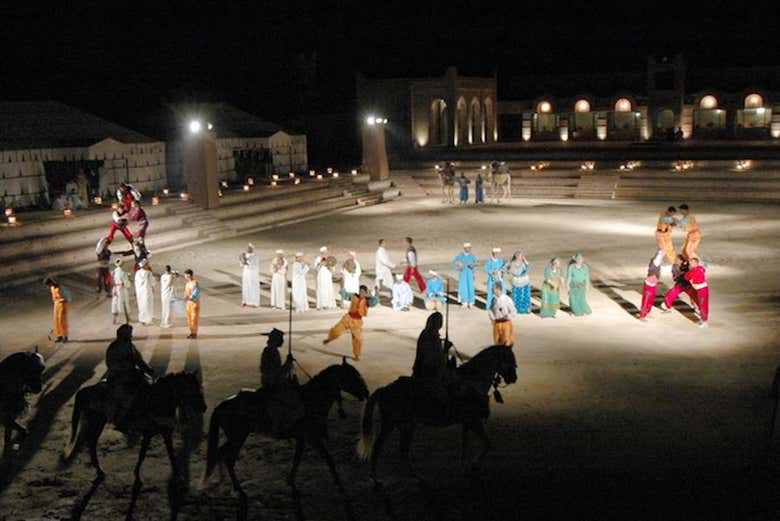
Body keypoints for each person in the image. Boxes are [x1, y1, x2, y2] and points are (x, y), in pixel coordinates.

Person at [105, 324, 153, 431]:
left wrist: (148, 370)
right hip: (118, 376)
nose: (131, 336)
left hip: (131, 374)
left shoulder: (130, 346)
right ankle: (120, 419)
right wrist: (125, 369)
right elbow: (111, 363)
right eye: (129, 334)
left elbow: (138, 360)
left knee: (147, 387)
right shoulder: (114, 347)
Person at [259, 328, 304, 435]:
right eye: (281, 339)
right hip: (272, 382)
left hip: (273, 379)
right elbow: (276, 372)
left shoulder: (271, 350)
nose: (282, 341)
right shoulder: (271, 352)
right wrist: (287, 364)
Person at [323, 285, 369, 360]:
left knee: (358, 339)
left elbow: (375, 301)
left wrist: (376, 293)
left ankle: (357, 355)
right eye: (360, 291)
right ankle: (330, 338)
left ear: (366, 293)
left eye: (363, 292)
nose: (361, 293)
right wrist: (342, 288)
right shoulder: (354, 296)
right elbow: (345, 295)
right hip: (348, 318)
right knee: (336, 330)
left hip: (357, 322)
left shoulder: (368, 301)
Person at [488, 282, 516, 347]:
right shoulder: (494, 300)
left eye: (493, 289)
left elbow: (514, 311)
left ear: (498, 289)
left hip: (505, 323)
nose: (492, 290)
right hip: (497, 324)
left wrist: (507, 316)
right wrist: (492, 318)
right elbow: (490, 310)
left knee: (506, 343)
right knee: (497, 343)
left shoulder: (507, 299)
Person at [684, 257, 709, 328]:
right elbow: (704, 268)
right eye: (690, 263)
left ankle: (704, 322)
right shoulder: (700, 268)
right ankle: (703, 320)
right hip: (703, 289)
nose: (690, 264)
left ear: (696, 263)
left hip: (701, 290)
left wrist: (689, 269)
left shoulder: (693, 271)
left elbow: (686, 277)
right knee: (702, 305)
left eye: (691, 263)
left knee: (702, 305)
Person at [639, 251, 664, 321]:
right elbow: (659, 256)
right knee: (646, 300)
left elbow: (660, 255)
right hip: (649, 285)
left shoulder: (657, 263)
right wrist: (663, 249)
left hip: (654, 284)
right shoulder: (655, 263)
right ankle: (642, 315)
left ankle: (646, 312)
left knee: (651, 300)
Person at [452, 242, 477, 308]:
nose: (468, 249)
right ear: (464, 248)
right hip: (463, 274)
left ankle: (471, 302)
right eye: (466, 248)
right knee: (463, 287)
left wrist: (473, 269)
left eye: (469, 248)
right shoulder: (460, 255)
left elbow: (475, 264)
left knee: (470, 287)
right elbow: (454, 263)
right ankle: (464, 302)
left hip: (470, 273)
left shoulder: (472, 256)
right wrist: (458, 268)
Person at [45, 278, 69, 343]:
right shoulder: (52, 288)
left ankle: (65, 336)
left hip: (62, 304)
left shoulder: (60, 288)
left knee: (62, 321)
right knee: (56, 321)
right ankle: (59, 336)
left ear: (51, 283)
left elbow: (68, 297)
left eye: (48, 285)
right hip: (56, 305)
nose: (48, 286)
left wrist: (61, 300)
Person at [508, 250, 531, 314]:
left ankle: (525, 308)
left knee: (525, 294)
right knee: (517, 295)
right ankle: (516, 308)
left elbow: (527, 265)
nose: (521, 257)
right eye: (519, 256)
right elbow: (512, 271)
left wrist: (524, 260)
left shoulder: (524, 262)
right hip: (517, 280)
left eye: (521, 256)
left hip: (524, 280)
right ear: (516, 256)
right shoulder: (513, 263)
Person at [134, 258, 155, 325]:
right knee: (148, 304)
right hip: (147, 291)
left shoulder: (137, 273)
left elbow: (136, 282)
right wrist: (153, 287)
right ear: (145, 265)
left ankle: (142, 318)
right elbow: (152, 282)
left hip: (140, 291)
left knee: (141, 304)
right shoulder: (148, 273)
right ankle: (148, 319)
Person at [111, 258, 131, 324]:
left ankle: (114, 319)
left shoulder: (113, 272)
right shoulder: (123, 273)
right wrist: (129, 280)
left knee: (115, 303)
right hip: (121, 289)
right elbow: (126, 283)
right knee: (124, 303)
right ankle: (127, 319)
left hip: (115, 288)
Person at [240, 243, 260, 307]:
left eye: (249, 248)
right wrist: (242, 259)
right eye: (247, 248)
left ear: (252, 249)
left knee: (253, 287)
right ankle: (245, 301)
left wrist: (245, 259)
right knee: (245, 286)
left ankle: (255, 302)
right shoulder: (245, 255)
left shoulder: (255, 256)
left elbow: (252, 265)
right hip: (246, 273)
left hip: (253, 274)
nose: (248, 249)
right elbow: (242, 264)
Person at [184, 269, 201, 339]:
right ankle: (191, 332)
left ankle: (194, 333)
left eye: (185, 275)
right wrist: (185, 296)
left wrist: (191, 297)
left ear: (189, 275)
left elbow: (196, 292)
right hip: (188, 304)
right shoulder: (187, 284)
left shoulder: (195, 283)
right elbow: (186, 292)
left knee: (194, 319)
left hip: (194, 303)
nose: (185, 276)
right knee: (189, 319)